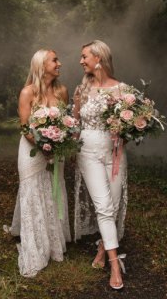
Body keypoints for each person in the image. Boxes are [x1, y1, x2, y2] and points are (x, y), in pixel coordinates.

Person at [4, 49, 71, 277]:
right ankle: (35, 246)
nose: (59, 64)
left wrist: (59, 143)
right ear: (42, 65)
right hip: (32, 151)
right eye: (55, 60)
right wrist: (44, 145)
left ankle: (54, 243)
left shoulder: (62, 91)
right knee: (32, 190)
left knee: (53, 191)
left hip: (56, 152)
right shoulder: (27, 92)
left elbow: (67, 122)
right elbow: (24, 128)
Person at [72, 40, 128, 290]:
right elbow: (74, 124)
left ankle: (103, 250)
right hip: (89, 151)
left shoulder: (122, 90)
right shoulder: (81, 90)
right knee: (104, 207)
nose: (81, 61)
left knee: (113, 206)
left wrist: (130, 128)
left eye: (85, 56)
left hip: (115, 153)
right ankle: (116, 266)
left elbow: (130, 127)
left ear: (99, 58)